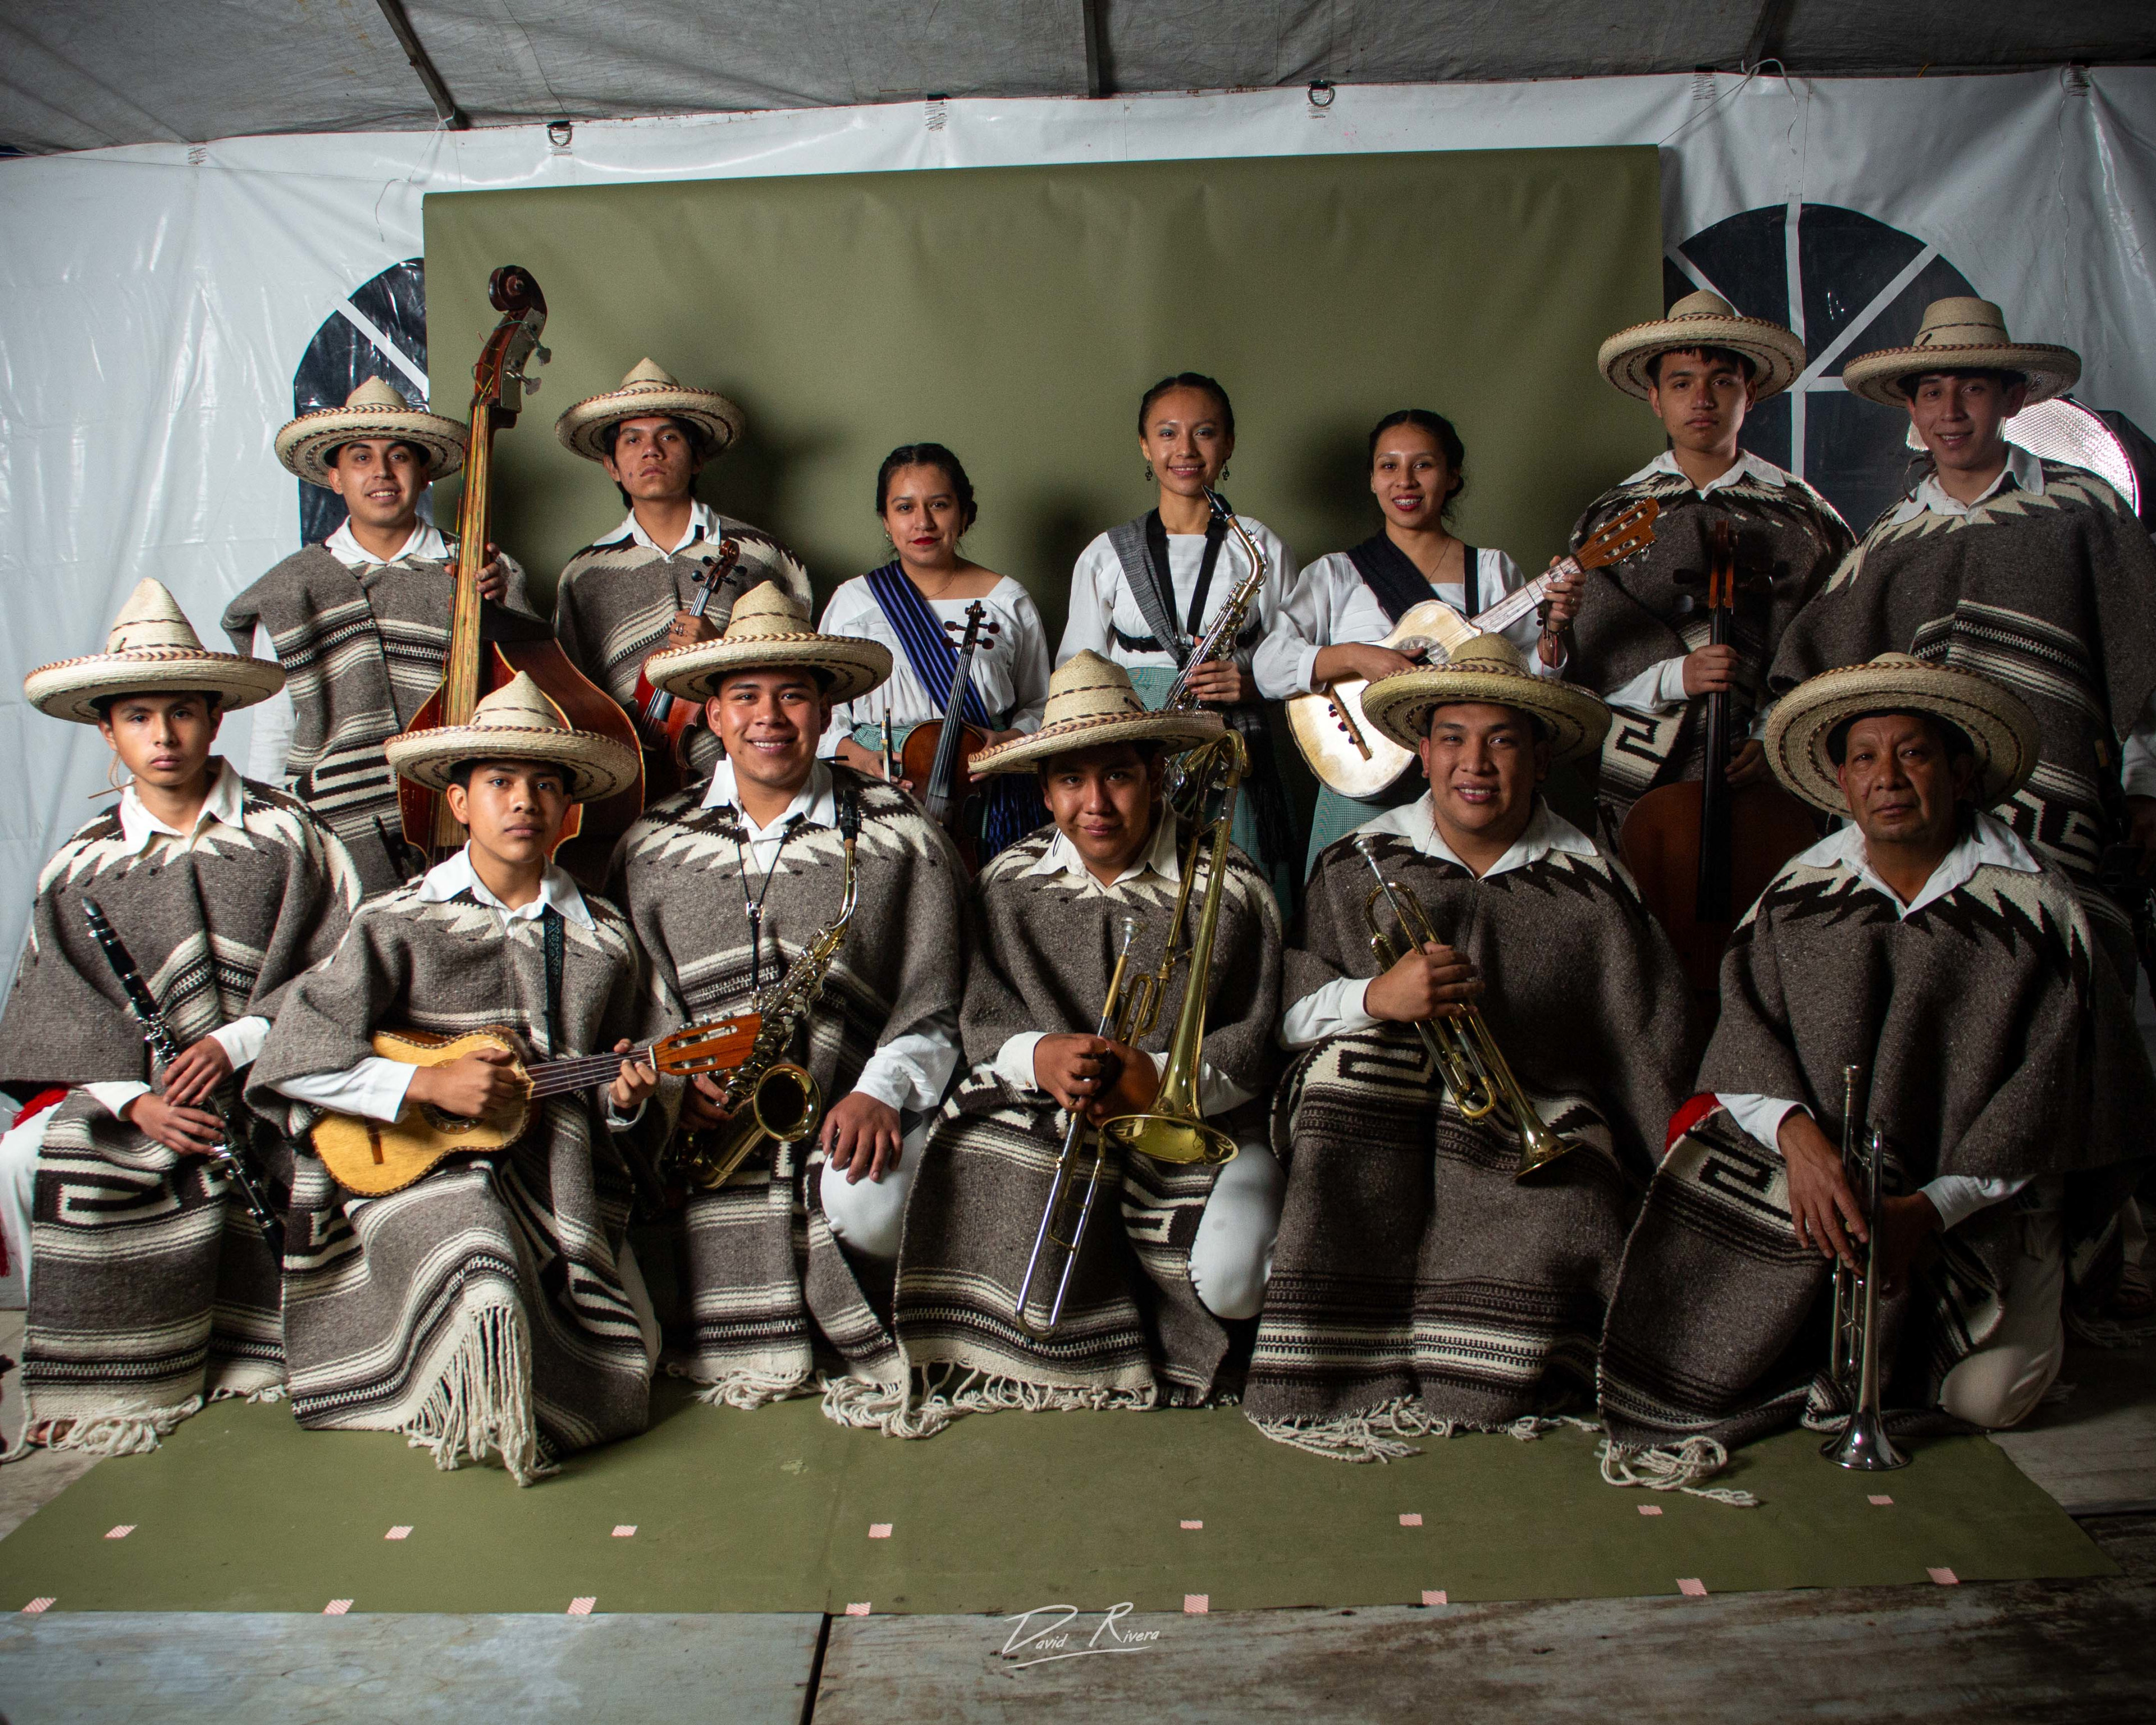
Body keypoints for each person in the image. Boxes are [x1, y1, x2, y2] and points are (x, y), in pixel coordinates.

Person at [1600, 656, 2153, 1475]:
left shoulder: (2039, 913)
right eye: (1864, 758)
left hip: (1982, 1201)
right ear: (1841, 780)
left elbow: (2056, 1106)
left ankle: (2052, 1285)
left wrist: (1925, 1213)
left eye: (1915, 755)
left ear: (1963, 773)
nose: (1887, 779)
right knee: (1722, 1342)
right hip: (1836, 1179)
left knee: (1986, 1400)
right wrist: (1798, 1139)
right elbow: (1744, 1038)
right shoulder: (1799, 892)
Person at [1245, 636, 1698, 1459]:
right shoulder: (1356, 863)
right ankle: (1349, 1365)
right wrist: (1374, 999)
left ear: (1539, 756)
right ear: (1422, 752)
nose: (1474, 762)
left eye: (1502, 740)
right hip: (1377, 1121)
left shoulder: (1593, 882)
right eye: (1452, 737)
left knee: (1558, 1228)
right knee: (1349, 1074)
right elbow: (1286, 1018)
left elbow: (1647, 1042)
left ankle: (1473, 1363)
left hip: (1534, 1126)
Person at [839, 652, 1283, 1434]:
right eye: (1071, 782)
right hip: (1040, 1107)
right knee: (953, 1180)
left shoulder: (1232, 883)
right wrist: (1036, 1055)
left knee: (1236, 1282)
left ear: (1155, 774)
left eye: (1117, 775)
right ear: (1045, 792)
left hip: (1193, 1123)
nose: (1096, 803)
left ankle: (1161, 1315)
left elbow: (1258, 1031)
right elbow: (978, 1010)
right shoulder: (1007, 881)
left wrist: (1165, 1079)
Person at [246, 674, 654, 1485]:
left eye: (546, 785)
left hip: (557, 1174)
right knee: (482, 1276)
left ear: (570, 810)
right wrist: (419, 1089)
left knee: (634, 1353)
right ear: (459, 803)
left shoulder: (605, 935)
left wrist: (624, 1102)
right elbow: (291, 1057)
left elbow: (633, 1067)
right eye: (499, 782)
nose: (524, 803)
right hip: (410, 1166)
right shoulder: (396, 919)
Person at [0, 580, 357, 1453]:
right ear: (107, 731)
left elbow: (348, 967)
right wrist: (133, 1101)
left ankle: (291, 1336)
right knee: (19, 1156)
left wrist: (240, 1041)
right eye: (139, 717)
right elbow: (59, 1012)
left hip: (277, 1074)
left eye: (184, 714)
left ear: (216, 718)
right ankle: (93, 1357)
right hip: (149, 1092)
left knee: (348, 1151)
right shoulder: (78, 866)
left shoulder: (290, 833)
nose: (164, 737)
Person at [605, 583, 966, 1409]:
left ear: (825, 708)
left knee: (865, 1202)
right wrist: (669, 1083)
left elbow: (938, 999)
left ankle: (862, 1307)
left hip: (852, 1126)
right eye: (747, 697)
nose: (771, 716)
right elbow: (634, 1006)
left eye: (794, 695)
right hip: (704, 1141)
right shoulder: (652, 847)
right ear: (712, 716)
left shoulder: (901, 834)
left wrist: (881, 1091)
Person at [1770, 297, 2156, 985]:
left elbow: (2143, 655)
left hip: (2058, 802)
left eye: (1973, 388)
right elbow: (1819, 674)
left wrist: (2145, 781)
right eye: (1932, 393)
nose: (1951, 411)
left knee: (2060, 976)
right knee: (1937, 979)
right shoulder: (1889, 541)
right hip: (1921, 810)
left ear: (2011, 397)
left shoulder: (2082, 510)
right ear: (1912, 411)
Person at [222, 378, 536, 895]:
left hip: (474, 817)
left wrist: (507, 610)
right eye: (361, 458)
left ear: (425, 472)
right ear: (335, 476)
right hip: (339, 825)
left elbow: (533, 700)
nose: (382, 474)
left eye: (399, 457)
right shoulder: (290, 590)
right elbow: (274, 733)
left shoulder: (482, 571)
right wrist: (271, 832)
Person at [1564, 291, 1854, 839]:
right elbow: (1588, 668)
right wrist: (1677, 676)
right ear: (1654, 397)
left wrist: (1778, 738)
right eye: (1681, 383)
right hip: (1648, 784)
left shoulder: (1808, 520)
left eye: (1722, 381)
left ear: (1752, 392)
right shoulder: (1611, 522)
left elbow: (1839, 644)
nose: (1702, 398)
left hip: (1774, 778)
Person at [1279, 409, 1583, 868]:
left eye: (1423, 465)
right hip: (1361, 776)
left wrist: (1555, 626)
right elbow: (1269, 665)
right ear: (1372, 479)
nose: (1405, 481)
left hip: (1466, 781)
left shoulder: (1491, 570)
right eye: (1389, 466)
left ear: (1453, 476)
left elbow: (1528, 680)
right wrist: (1360, 658)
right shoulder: (1335, 573)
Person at [1059, 372, 1305, 907]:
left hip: (1233, 749)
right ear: (1145, 446)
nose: (1186, 450)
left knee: (1238, 895)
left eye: (1205, 432)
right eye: (1167, 434)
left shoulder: (1260, 545)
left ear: (1229, 444)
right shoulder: (1106, 554)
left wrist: (1253, 682)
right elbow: (1076, 669)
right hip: (1135, 750)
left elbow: (1300, 660)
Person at [552, 360, 813, 782]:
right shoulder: (584, 575)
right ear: (613, 467)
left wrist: (720, 652)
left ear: (697, 459)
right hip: (627, 782)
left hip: (745, 775)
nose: (650, 451)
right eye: (632, 440)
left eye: (668, 437)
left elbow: (800, 675)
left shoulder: (765, 556)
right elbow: (574, 698)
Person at [817, 443, 1052, 861]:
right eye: (905, 508)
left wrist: (1011, 740)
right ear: (886, 521)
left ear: (964, 514)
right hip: (878, 794)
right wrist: (855, 756)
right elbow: (823, 708)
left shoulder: (1007, 598)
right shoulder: (853, 601)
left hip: (985, 796)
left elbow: (1042, 703)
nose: (922, 522)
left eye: (939, 505)